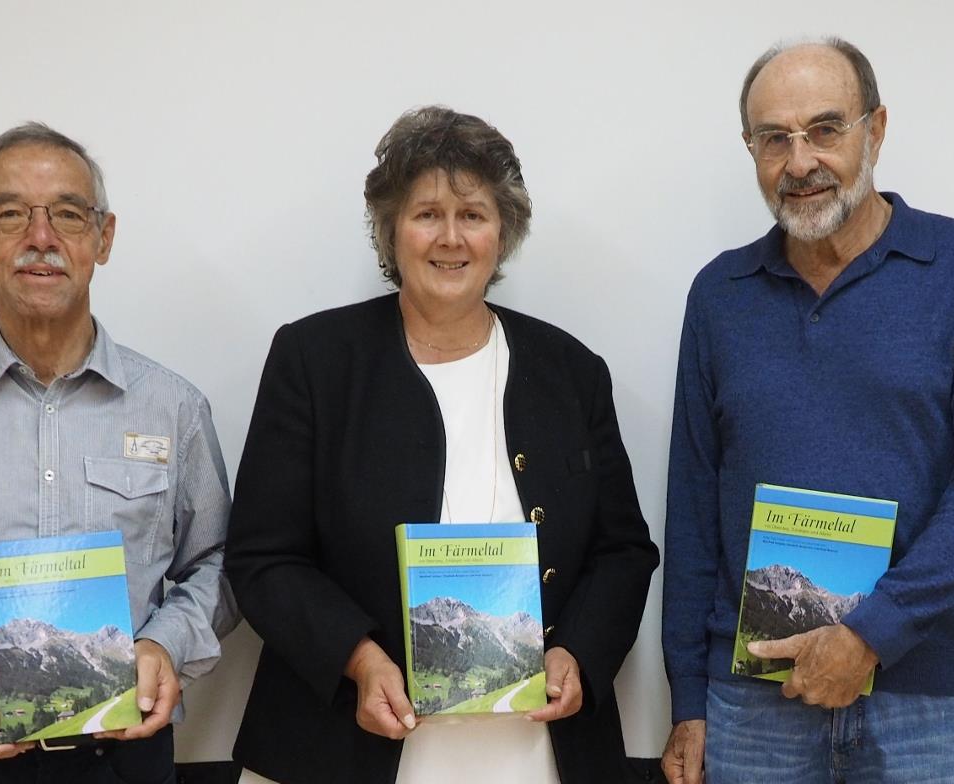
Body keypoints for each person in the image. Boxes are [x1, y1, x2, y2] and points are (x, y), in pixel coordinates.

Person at [226, 105, 659, 784]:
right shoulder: (314, 360)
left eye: (474, 215)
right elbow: (263, 556)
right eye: (427, 213)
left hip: (536, 752)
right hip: (344, 741)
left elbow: (623, 551)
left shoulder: (570, 370)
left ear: (503, 232)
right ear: (390, 229)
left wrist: (579, 651)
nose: (450, 238)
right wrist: (360, 660)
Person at [660, 38, 954, 784]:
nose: (799, 163)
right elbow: (695, 506)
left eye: (825, 129)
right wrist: (688, 700)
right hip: (754, 700)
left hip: (929, 702)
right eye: (774, 139)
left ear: (877, 129)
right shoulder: (720, 297)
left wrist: (868, 636)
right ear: (751, 149)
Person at [0, 123, 237, 783]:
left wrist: (166, 643)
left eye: (68, 215)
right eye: (10, 214)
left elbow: (223, 564)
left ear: (104, 236)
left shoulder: (173, 408)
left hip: (128, 758)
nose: (41, 239)